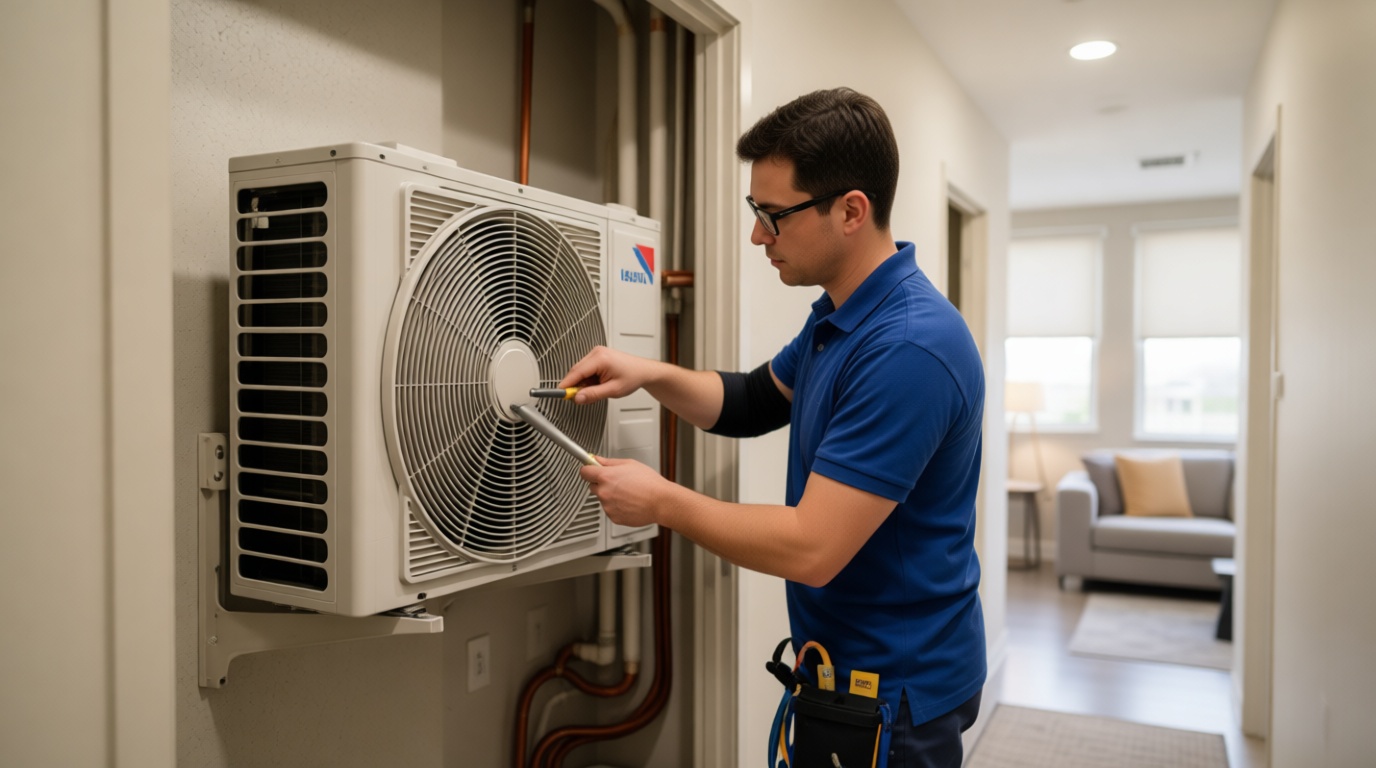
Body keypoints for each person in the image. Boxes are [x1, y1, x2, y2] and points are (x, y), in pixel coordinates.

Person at [557, 87, 985, 767]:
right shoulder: (840, 313)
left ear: (851, 211)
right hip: (839, 677)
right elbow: (755, 399)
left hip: (894, 698)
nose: (758, 235)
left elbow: (813, 546)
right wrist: (648, 372)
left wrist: (662, 501)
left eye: (773, 216)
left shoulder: (908, 347)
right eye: (755, 212)